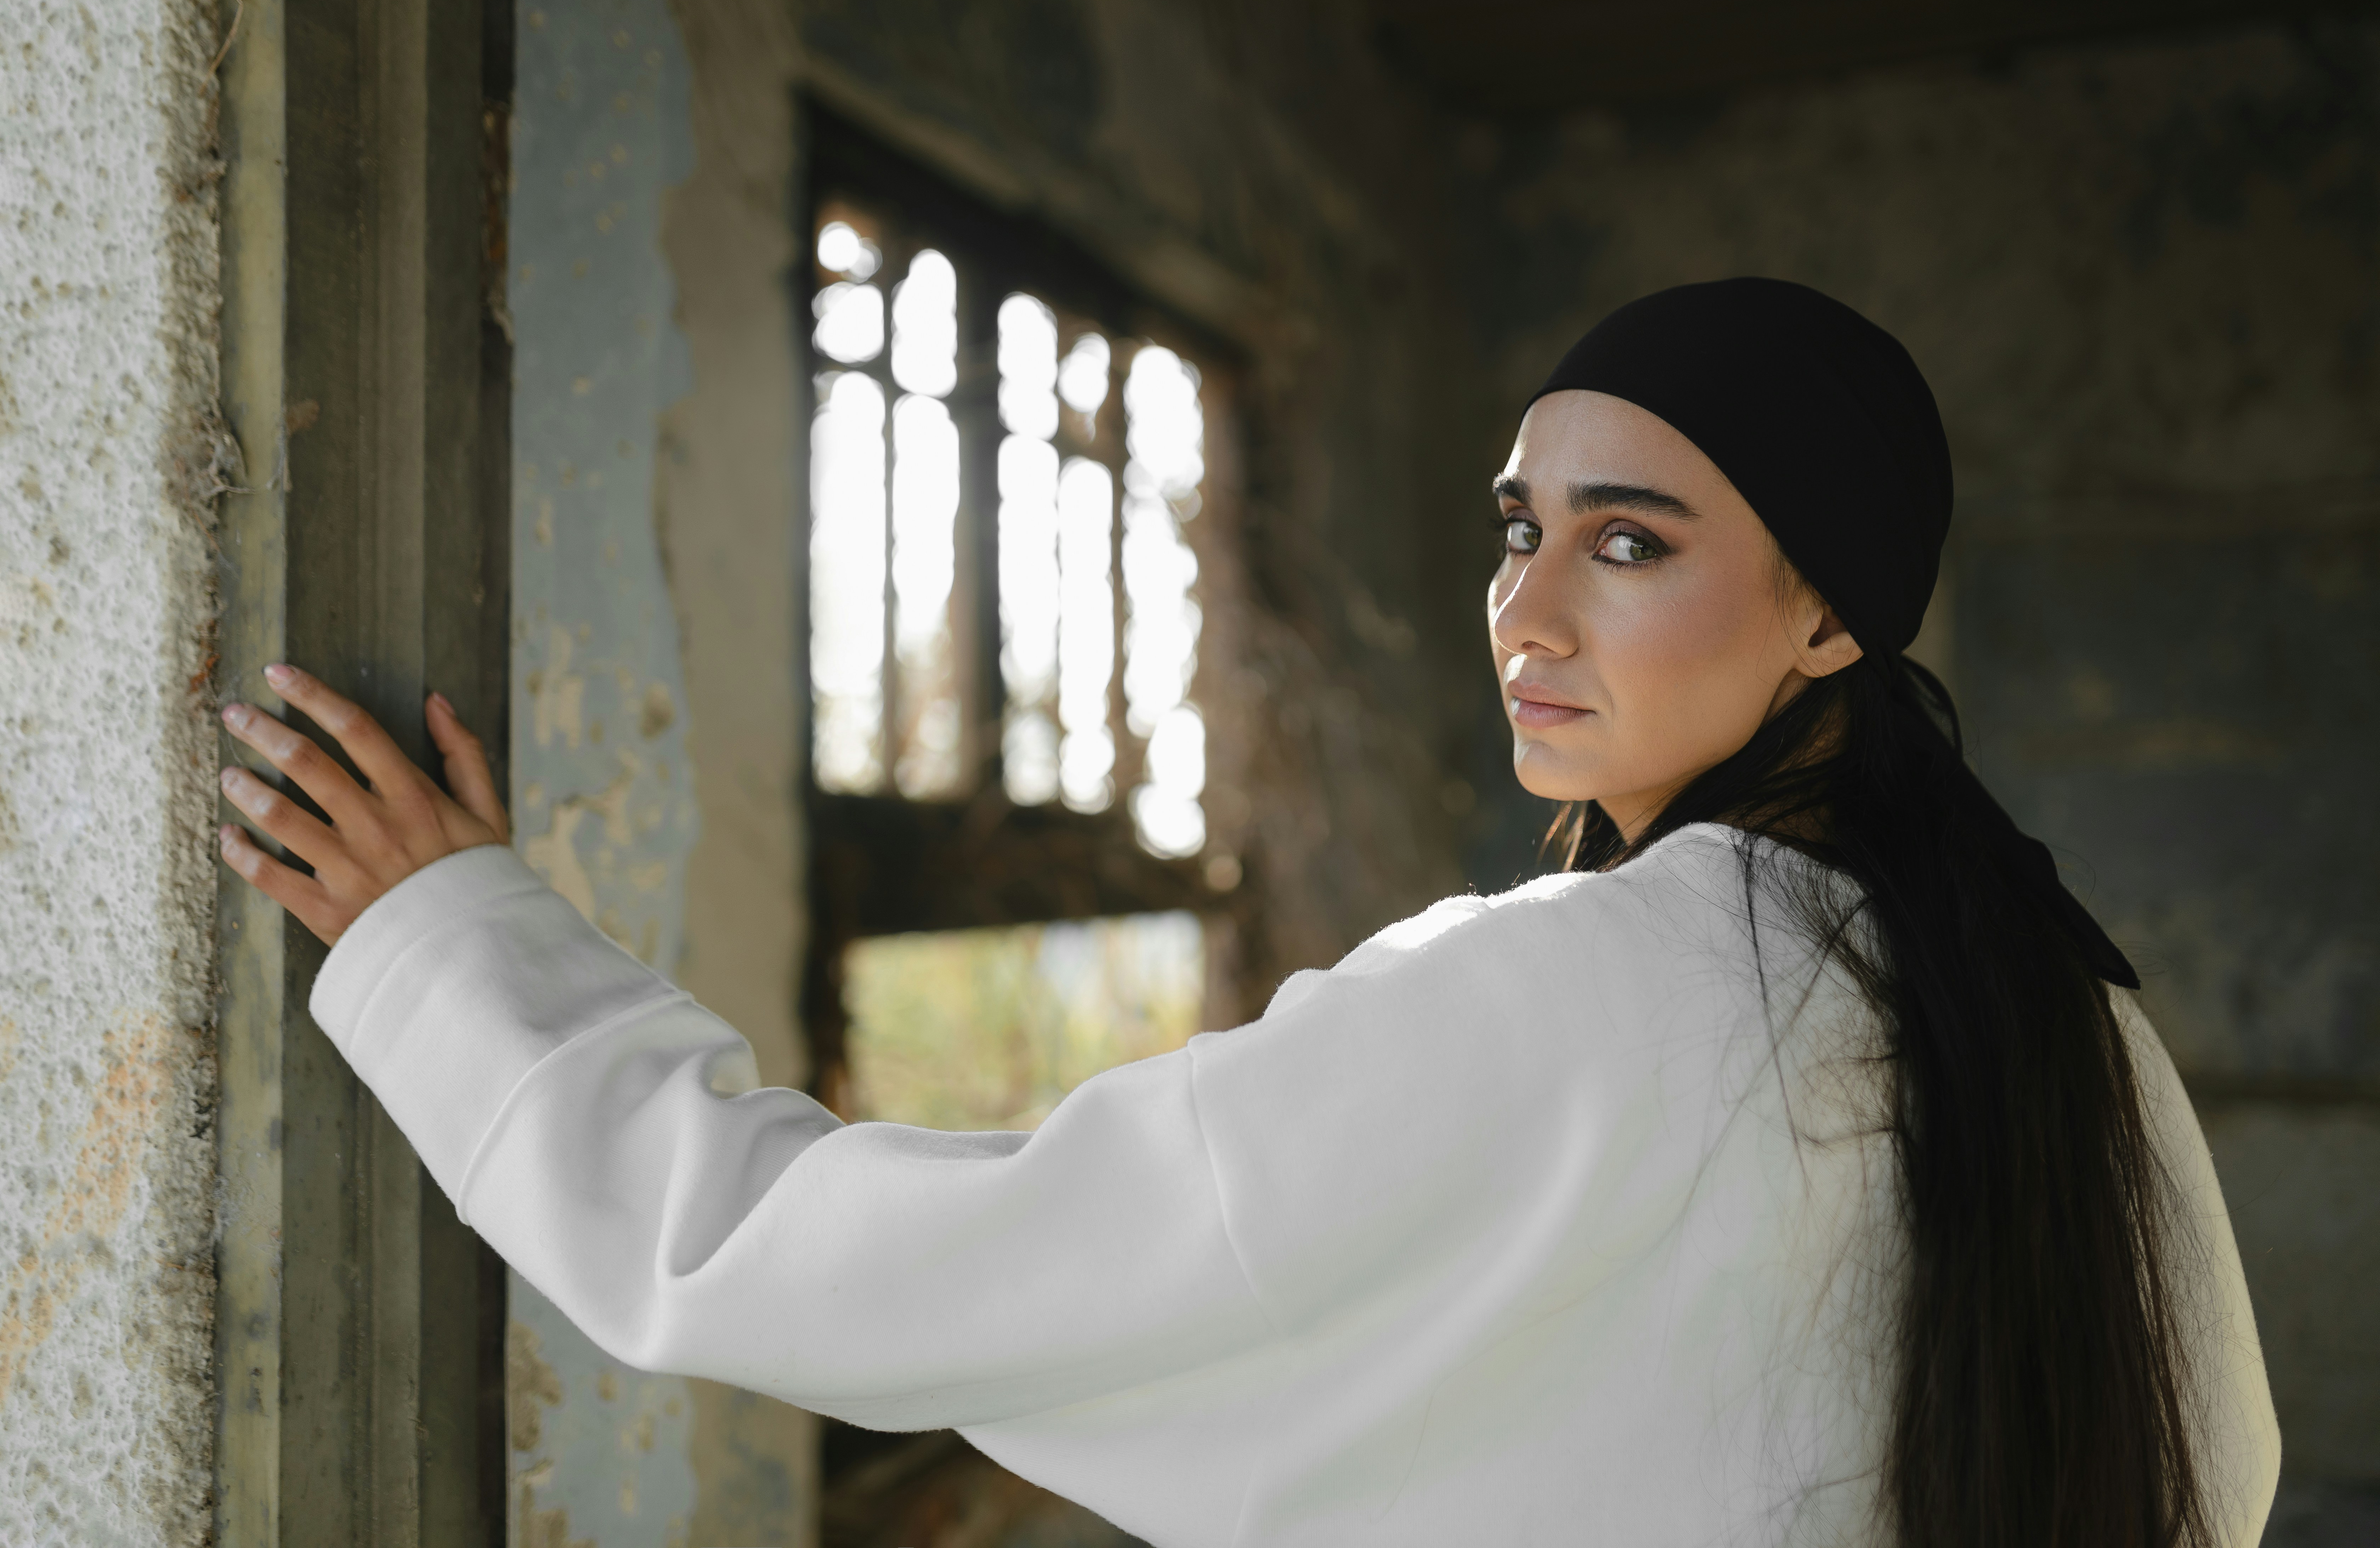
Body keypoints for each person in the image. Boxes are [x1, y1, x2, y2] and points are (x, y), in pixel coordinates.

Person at [216, 279, 2278, 1547]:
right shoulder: (2063, 1011)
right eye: (1517, 529)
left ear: (1832, 611)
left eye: (1629, 543)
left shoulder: (1586, 989)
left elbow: (895, 1275)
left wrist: (451, 950)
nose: (1527, 609)